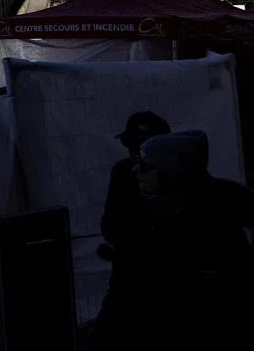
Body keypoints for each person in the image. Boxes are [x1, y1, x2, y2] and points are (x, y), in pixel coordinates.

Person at [133, 130, 254, 348]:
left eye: (145, 165)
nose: (136, 172)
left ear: (168, 168)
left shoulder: (224, 200)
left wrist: (236, 274)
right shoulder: (147, 213)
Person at [89, 111, 170, 350]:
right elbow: (109, 220)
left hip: (163, 278)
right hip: (127, 274)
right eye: (132, 147)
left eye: (141, 148)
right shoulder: (122, 172)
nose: (135, 156)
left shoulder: (174, 178)